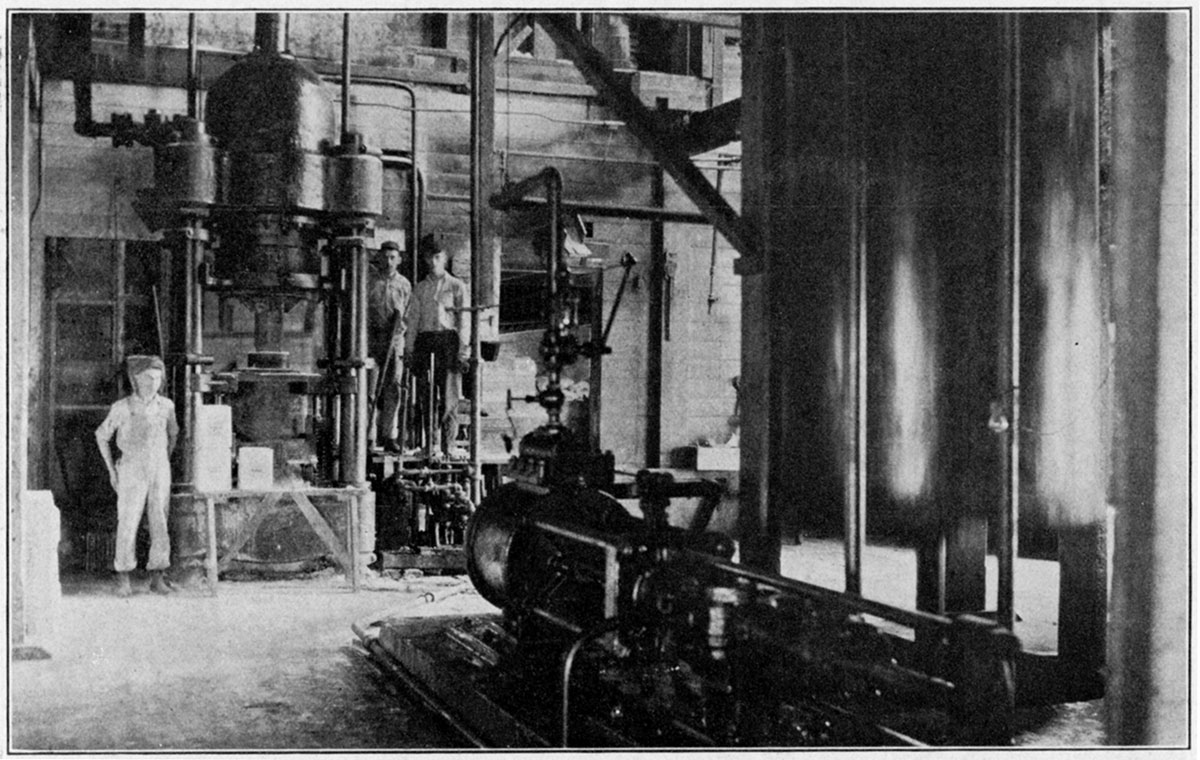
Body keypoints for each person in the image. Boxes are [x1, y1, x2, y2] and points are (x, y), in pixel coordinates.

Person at [95, 355, 179, 597]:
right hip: (131, 469)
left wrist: (162, 461)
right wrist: (112, 471)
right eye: (149, 378)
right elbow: (101, 436)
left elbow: (173, 435)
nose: (154, 382)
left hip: (159, 468)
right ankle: (123, 577)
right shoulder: (122, 407)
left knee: (160, 521)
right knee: (128, 521)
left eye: (158, 378)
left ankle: (157, 575)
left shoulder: (166, 406)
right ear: (136, 379)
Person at [405, 233, 470, 457]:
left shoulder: (457, 286)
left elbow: (464, 321)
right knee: (427, 395)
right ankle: (431, 445)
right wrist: (409, 349)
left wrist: (463, 350)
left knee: (450, 396)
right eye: (428, 257)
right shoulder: (420, 289)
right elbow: (412, 321)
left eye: (437, 257)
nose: (432, 262)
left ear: (444, 258)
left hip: (448, 344)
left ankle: (449, 445)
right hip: (425, 342)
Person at [368, 240, 412, 452]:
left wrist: (398, 328)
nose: (388, 261)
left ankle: (389, 436)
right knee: (370, 386)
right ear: (379, 258)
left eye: (393, 257)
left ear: (399, 260)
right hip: (372, 338)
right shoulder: (370, 282)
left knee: (393, 388)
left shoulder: (404, 284)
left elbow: (408, 314)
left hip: (394, 340)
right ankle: (368, 435)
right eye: (385, 257)